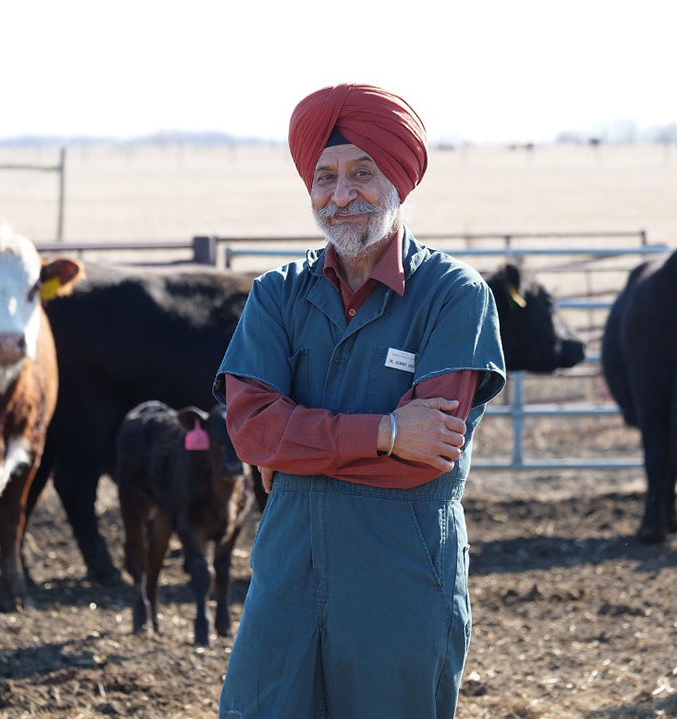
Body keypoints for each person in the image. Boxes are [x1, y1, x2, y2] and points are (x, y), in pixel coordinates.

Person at [213, 83, 506, 719]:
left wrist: (297, 447)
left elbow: (429, 455)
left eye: (362, 173)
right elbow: (251, 433)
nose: (340, 195)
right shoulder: (276, 296)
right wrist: (383, 433)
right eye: (325, 176)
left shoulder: (454, 297)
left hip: (399, 585)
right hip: (287, 578)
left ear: (400, 178)